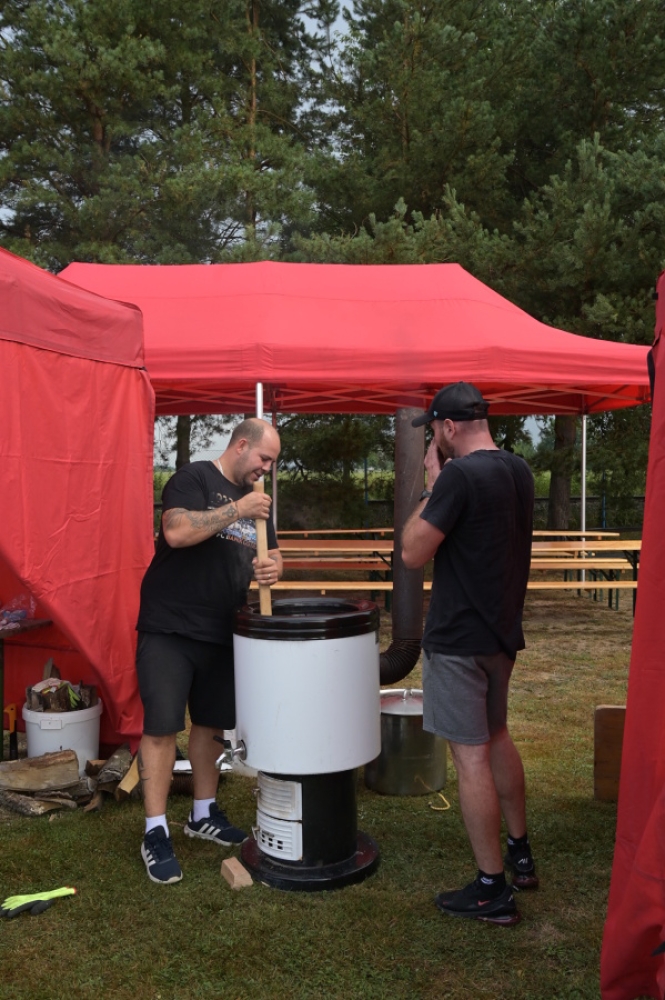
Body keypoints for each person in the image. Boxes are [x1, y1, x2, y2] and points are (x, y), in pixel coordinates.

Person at [402, 382, 536, 926]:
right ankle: (520, 853)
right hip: (501, 634)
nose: (433, 438)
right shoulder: (518, 470)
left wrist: (433, 486)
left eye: (434, 429)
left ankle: (491, 888)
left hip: (459, 639)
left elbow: (412, 552)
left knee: (471, 756)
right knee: (497, 736)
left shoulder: (458, 476)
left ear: (450, 427)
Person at [135, 417, 282, 885]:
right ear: (241, 446)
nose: (267, 469)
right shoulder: (194, 477)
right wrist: (237, 509)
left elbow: (272, 553)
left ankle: (203, 813)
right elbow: (176, 531)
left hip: (223, 628)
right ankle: (155, 831)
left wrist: (273, 568)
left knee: (211, 724)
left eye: (272, 463)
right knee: (162, 727)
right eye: (264, 459)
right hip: (171, 626)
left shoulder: (258, 502)